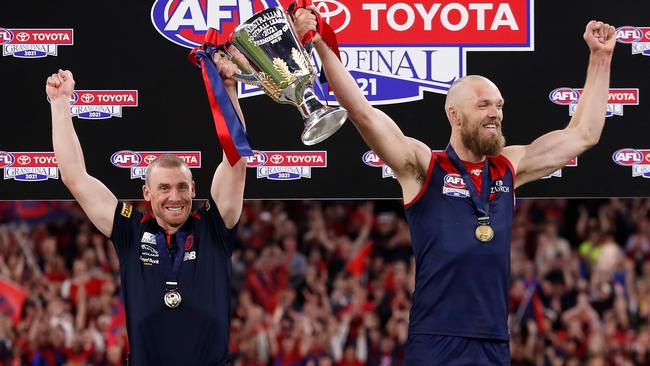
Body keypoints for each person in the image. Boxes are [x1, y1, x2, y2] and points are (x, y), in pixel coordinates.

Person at [294, 9, 617, 365]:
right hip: (436, 340)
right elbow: (363, 113)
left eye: (499, 105)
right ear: (455, 115)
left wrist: (600, 57)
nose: (496, 113)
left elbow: (583, 134)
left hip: (494, 340)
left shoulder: (509, 166)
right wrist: (323, 44)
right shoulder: (423, 166)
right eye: (484, 105)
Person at [46, 51, 247, 365]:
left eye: (182, 187)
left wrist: (229, 90)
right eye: (164, 188)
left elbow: (236, 161)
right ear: (147, 193)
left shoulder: (214, 226)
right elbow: (75, 177)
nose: (174, 196)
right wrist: (60, 104)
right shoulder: (130, 229)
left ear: (194, 190)